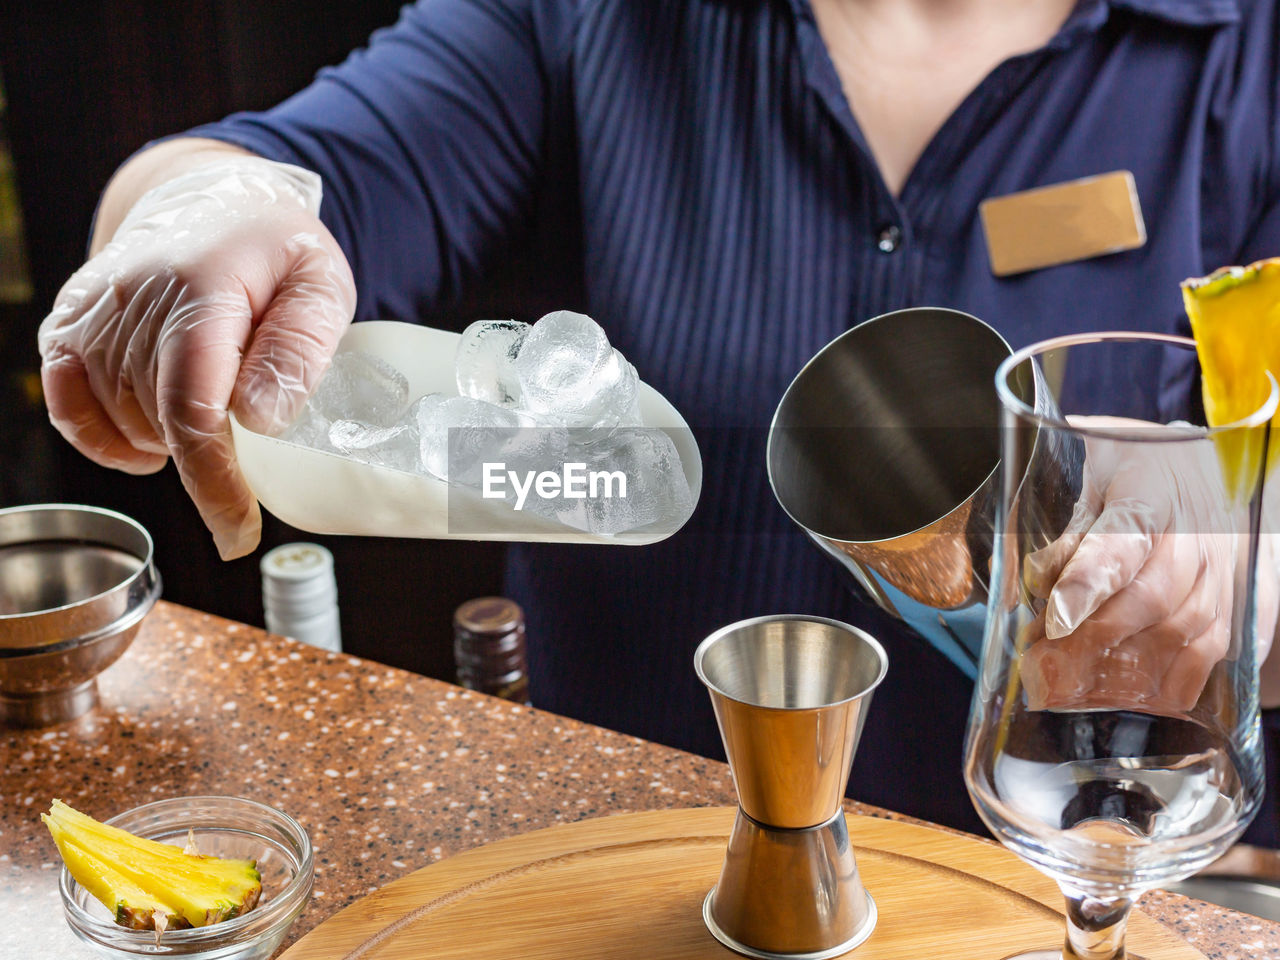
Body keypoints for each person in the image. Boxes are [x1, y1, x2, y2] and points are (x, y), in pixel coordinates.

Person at [37, 0, 1280, 843]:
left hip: (1050, 861)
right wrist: (192, 223)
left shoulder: (1245, 53)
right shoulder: (583, 19)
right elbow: (290, 169)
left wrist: (1248, 582)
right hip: (621, 868)